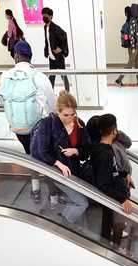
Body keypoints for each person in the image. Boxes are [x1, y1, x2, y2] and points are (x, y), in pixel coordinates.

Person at [30, 91, 91, 225]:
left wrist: (75, 151)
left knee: (77, 200)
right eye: (65, 115)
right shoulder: (47, 124)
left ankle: (67, 220)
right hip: (57, 173)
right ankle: (62, 223)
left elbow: (87, 150)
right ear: (58, 111)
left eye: (72, 114)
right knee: (81, 203)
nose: (70, 118)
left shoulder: (79, 124)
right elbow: (41, 151)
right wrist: (58, 163)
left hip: (74, 172)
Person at [0, 40, 55, 155]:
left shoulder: (5, 76)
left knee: (28, 150)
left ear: (16, 56)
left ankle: (31, 162)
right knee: (41, 151)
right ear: (30, 57)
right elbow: (52, 104)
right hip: (36, 127)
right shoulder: (39, 76)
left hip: (17, 127)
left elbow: (2, 100)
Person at [89, 114, 134, 243]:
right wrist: (122, 199)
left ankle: (110, 249)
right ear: (114, 130)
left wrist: (124, 174)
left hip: (113, 193)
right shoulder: (105, 154)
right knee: (114, 224)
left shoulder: (104, 149)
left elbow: (110, 171)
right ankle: (112, 252)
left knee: (109, 223)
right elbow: (103, 183)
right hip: (111, 195)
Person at [115, 4, 138, 86]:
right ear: (135, 11)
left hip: (136, 45)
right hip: (133, 46)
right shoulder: (133, 21)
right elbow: (132, 35)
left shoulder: (134, 20)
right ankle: (119, 79)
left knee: (137, 64)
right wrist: (133, 47)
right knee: (130, 64)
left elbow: (135, 33)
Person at [41, 7, 70, 91]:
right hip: (51, 57)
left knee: (63, 75)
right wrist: (46, 51)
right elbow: (47, 40)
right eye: (43, 16)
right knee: (52, 76)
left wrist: (61, 49)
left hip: (58, 57)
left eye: (46, 16)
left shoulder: (56, 28)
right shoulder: (45, 27)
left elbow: (64, 35)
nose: (44, 18)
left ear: (51, 17)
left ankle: (67, 93)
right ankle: (51, 93)